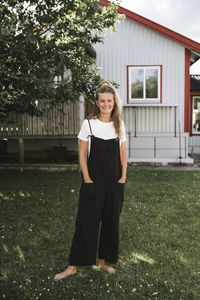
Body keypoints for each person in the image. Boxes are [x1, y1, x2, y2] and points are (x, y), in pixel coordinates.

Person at [54, 81, 127, 280]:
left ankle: (103, 261)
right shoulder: (88, 124)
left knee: (111, 223)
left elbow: (123, 152)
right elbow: (83, 152)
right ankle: (72, 266)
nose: (106, 104)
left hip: (114, 183)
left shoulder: (118, 125)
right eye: (102, 101)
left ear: (114, 102)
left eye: (109, 101)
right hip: (93, 182)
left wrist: (123, 176)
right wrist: (86, 177)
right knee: (86, 223)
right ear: (97, 102)